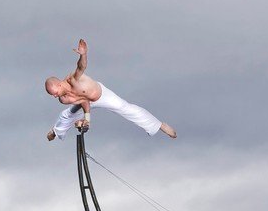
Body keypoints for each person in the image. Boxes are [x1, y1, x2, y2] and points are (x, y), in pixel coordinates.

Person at [45, 39, 176, 141]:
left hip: (102, 96)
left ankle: (159, 125)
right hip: (84, 101)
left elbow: (81, 67)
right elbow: (83, 102)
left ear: (59, 85)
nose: (54, 96)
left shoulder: (72, 80)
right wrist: (86, 120)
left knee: (125, 108)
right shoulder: (63, 98)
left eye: (54, 93)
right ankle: (56, 132)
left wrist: (83, 55)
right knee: (66, 115)